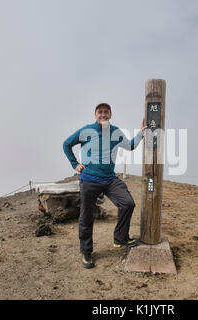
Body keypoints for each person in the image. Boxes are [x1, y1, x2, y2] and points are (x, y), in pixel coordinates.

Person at [63, 103, 147, 269]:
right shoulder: (85, 130)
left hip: (109, 179)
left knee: (128, 203)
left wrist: (141, 133)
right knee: (86, 217)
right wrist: (75, 164)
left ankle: (120, 238)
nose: (103, 114)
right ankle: (86, 252)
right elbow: (66, 144)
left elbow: (130, 146)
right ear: (95, 114)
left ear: (110, 114)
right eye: (100, 112)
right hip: (89, 179)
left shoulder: (115, 132)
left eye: (106, 112)